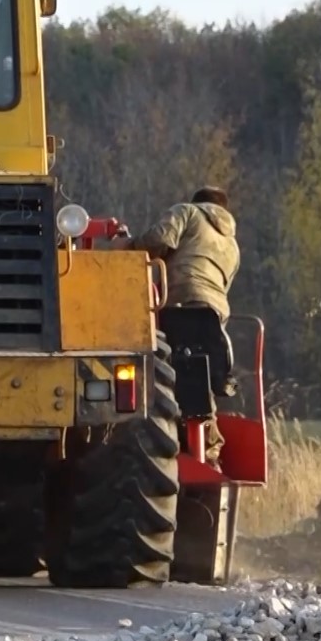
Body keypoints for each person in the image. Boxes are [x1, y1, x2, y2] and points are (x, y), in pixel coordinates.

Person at [125, 186, 240, 462]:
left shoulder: (187, 212)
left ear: (198, 203)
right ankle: (208, 449)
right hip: (213, 316)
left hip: (179, 301)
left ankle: (161, 440)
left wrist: (128, 247)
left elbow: (159, 239)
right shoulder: (232, 245)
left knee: (156, 373)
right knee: (201, 386)